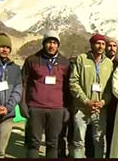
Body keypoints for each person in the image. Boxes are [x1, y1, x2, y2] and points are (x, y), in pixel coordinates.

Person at [21, 30, 70, 158]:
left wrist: (66, 108)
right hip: (35, 108)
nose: (51, 45)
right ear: (44, 44)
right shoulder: (32, 60)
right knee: (33, 143)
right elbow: (23, 84)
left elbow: (68, 88)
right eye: (49, 42)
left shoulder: (65, 62)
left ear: (58, 45)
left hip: (57, 109)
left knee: (53, 144)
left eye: (54, 42)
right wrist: (23, 105)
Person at [69, 33, 113, 158]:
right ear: (92, 44)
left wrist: (103, 102)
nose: (100, 46)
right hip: (81, 108)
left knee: (99, 141)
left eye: (103, 44)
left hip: (100, 110)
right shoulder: (81, 59)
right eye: (98, 43)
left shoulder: (108, 63)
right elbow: (73, 83)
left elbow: (110, 88)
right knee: (78, 142)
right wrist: (86, 101)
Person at [0, 33, 22, 158]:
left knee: (0, 152)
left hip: (7, 116)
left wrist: (8, 107)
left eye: (7, 47)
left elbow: (18, 90)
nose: (5, 49)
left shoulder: (15, 69)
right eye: (1, 46)